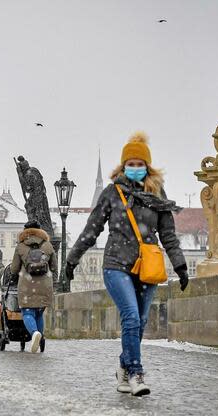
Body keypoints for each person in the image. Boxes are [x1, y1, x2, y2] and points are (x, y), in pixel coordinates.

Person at [65, 132, 188, 397]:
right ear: (123, 167)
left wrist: (180, 265)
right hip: (116, 264)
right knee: (131, 316)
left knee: (140, 322)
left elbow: (168, 234)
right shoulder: (112, 193)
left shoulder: (157, 194)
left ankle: (123, 366)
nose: (134, 168)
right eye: (129, 164)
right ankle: (135, 373)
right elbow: (92, 229)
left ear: (147, 166)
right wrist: (72, 259)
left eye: (139, 164)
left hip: (146, 266)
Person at [9, 220, 57, 354]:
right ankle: (40, 337)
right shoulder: (47, 245)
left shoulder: (21, 246)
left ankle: (35, 333)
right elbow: (54, 267)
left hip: (27, 285)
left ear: (25, 231)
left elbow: (14, 269)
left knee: (27, 312)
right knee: (39, 312)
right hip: (45, 284)